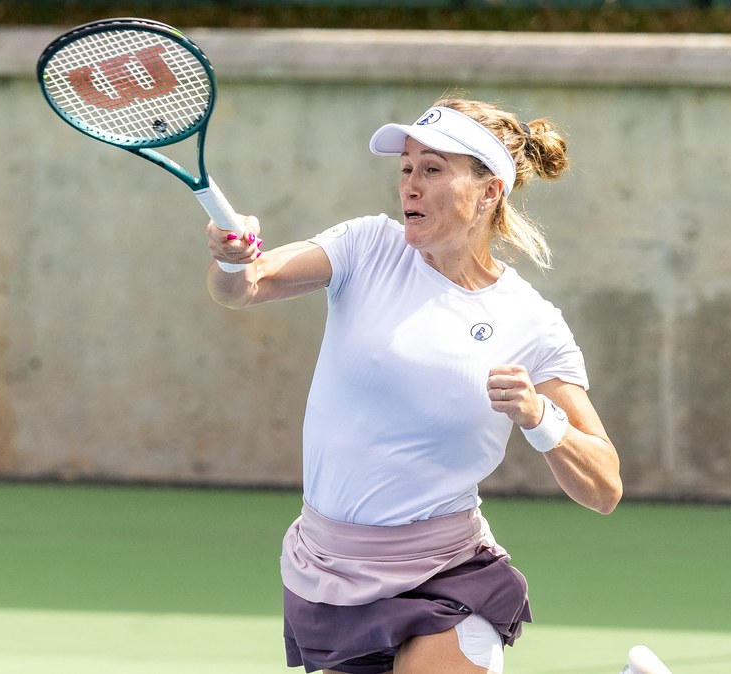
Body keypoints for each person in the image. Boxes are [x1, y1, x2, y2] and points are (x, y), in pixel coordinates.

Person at [205, 98, 670, 674]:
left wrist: (538, 416)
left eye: (432, 169)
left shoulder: (531, 321)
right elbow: (250, 283)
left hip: (443, 571)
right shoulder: (366, 246)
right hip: (326, 569)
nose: (410, 186)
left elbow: (605, 487)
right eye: (405, 168)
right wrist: (232, 260)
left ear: (490, 191)